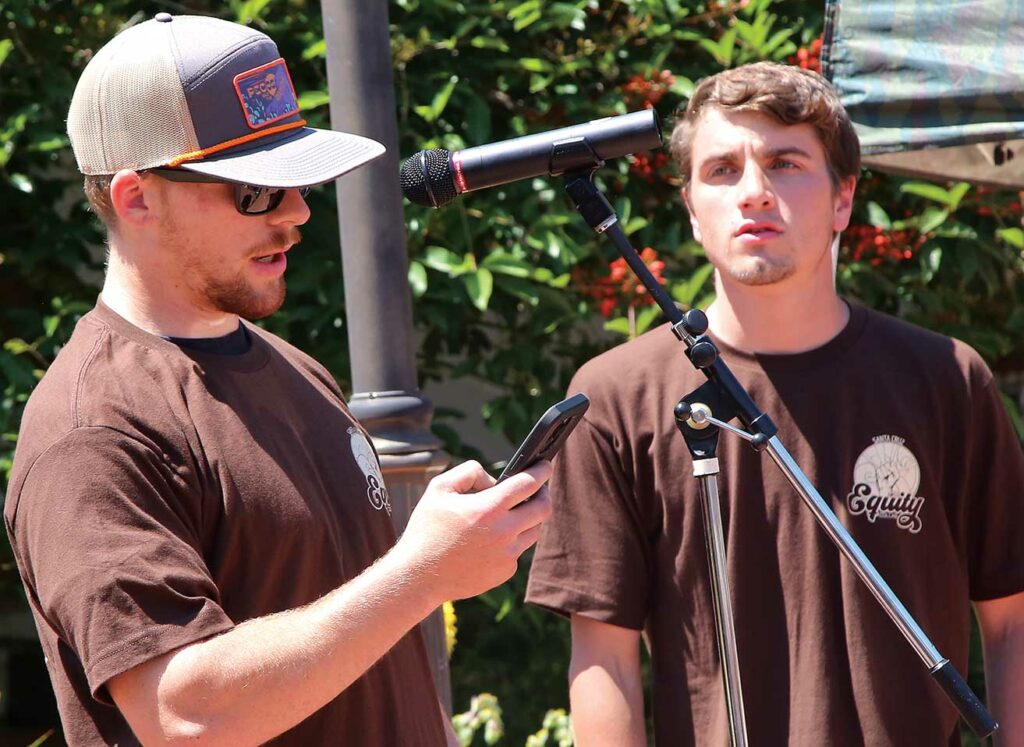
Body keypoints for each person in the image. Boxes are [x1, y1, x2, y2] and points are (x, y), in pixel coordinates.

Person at [4, 13, 552, 746]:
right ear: (137, 198)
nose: (296, 213)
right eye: (255, 191)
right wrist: (421, 572)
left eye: (297, 180)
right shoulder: (95, 428)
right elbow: (184, 714)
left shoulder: (295, 368)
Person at [526, 62, 1024, 746]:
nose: (754, 192)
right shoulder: (617, 397)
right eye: (723, 169)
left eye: (785, 163)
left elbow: (1012, 616)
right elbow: (603, 655)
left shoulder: (947, 379)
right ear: (692, 208)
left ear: (843, 200)